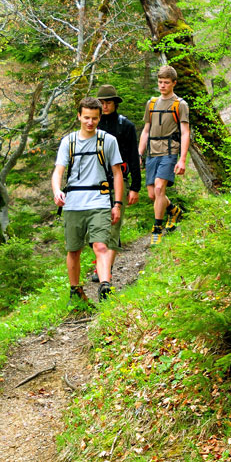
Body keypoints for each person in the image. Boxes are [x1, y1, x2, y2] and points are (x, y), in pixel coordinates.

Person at [52, 97, 125, 303]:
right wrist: (57, 191)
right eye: (86, 118)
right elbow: (58, 171)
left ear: (100, 117)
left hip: (99, 201)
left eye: (94, 118)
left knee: (100, 245)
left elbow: (117, 173)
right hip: (73, 203)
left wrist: (117, 204)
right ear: (79, 116)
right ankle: (75, 291)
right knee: (73, 249)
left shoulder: (108, 141)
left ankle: (105, 286)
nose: (90, 122)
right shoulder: (69, 142)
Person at [137, 65, 190, 245]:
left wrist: (182, 160)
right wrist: (139, 153)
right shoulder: (151, 103)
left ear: (174, 83)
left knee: (160, 188)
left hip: (170, 150)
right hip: (152, 151)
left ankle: (157, 229)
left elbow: (185, 132)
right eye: (160, 82)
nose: (162, 86)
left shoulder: (180, 105)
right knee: (153, 194)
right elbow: (145, 130)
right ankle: (174, 210)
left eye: (166, 83)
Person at [94, 84, 141, 274]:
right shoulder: (91, 125)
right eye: (102, 103)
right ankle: (103, 262)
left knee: (113, 226)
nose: (105, 106)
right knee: (96, 227)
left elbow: (133, 157)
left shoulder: (125, 126)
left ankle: (105, 269)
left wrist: (135, 187)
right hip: (94, 183)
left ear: (115, 103)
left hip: (118, 181)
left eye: (109, 102)